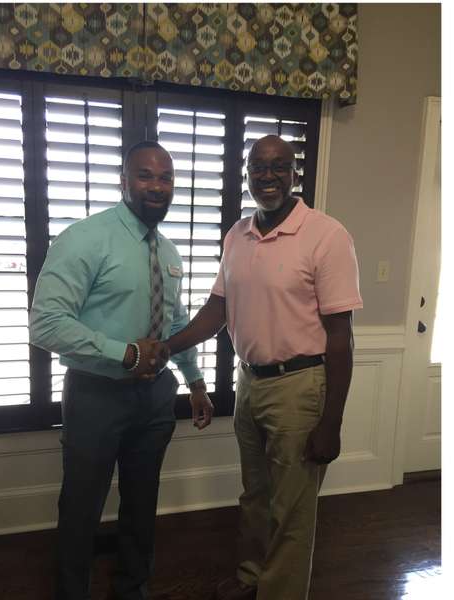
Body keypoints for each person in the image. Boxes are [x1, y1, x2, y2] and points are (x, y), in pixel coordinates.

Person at [164, 134, 363, 600]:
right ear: (247, 174)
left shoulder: (327, 235)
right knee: (255, 494)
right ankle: (251, 576)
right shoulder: (238, 235)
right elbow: (216, 310)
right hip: (250, 382)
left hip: (300, 386)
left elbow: (341, 336)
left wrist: (331, 422)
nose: (267, 176)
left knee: (293, 508)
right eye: (258, 167)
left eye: (278, 167)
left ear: (294, 174)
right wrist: (166, 347)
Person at [30, 140, 215, 600]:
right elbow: (46, 323)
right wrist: (124, 353)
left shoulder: (168, 253)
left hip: (155, 397)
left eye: (166, 177)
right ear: (123, 181)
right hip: (96, 394)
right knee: (81, 506)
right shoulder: (85, 239)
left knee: (142, 502)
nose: (157, 186)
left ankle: (132, 589)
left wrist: (194, 382)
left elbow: (174, 323)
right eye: (145, 175)